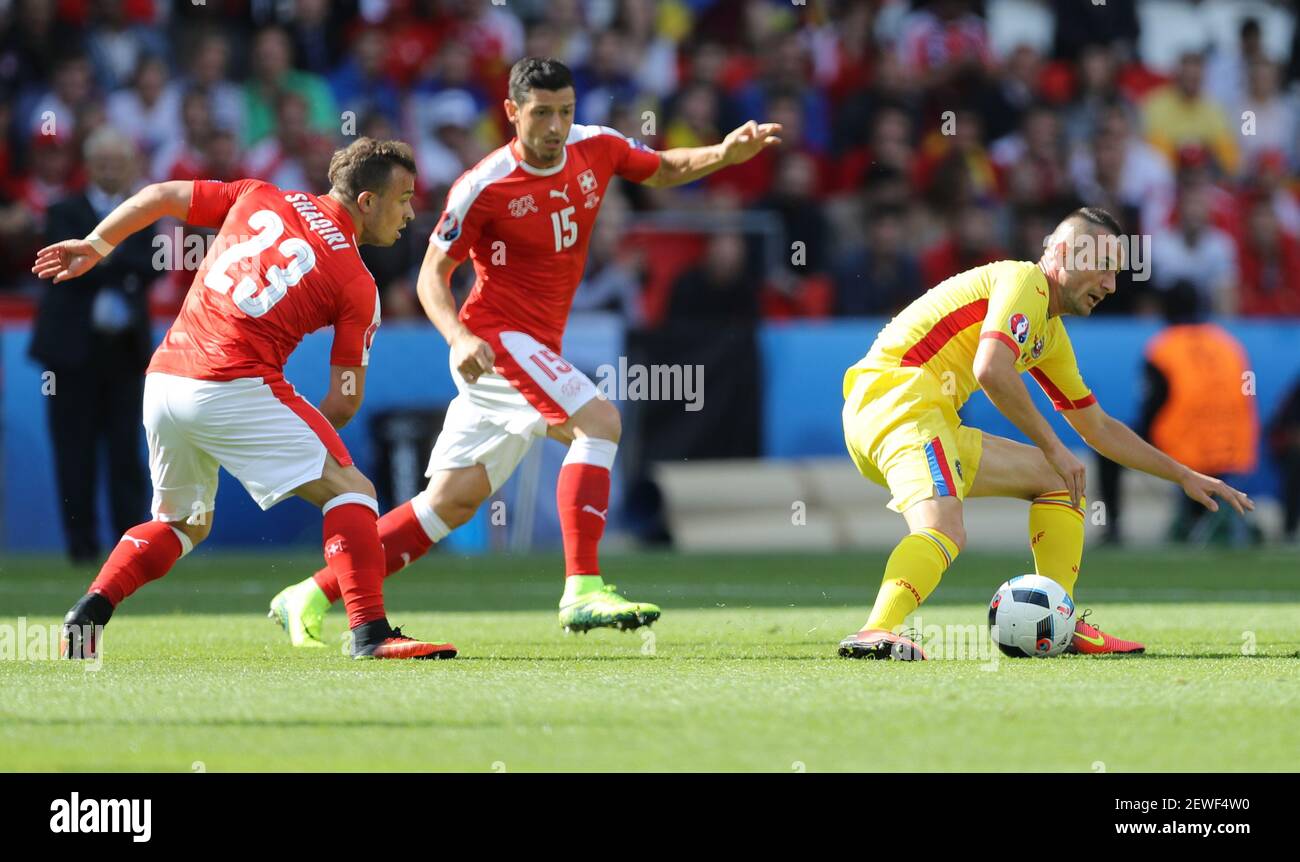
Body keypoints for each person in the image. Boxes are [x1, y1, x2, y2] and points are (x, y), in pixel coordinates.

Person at [268, 57, 782, 646]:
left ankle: (309, 592)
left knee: (447, 506)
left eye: (565, 111)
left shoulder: (598, 147)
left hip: (534, 346)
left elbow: (661, 167)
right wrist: (459, 337)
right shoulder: (483, 185)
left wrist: (723, 153)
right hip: (497, 341)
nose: (556, 126)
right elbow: (432, 277)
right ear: (512, 112)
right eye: (541, 114)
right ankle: (582, 587)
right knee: (600, 422)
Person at [33, 137, 449, 661]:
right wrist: (271, 442)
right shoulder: (357, 284)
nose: (411, 213)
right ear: (366, 202)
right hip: (232, 381)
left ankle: (91, 609)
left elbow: (161, 195)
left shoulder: (261, 194)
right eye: (405, 197)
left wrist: (94, 244)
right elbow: (343, 402)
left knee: (181, 524)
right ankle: (371, 633)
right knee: (353, 492)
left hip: (164, 379)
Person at [837, 207, 1253, 661]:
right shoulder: (1024, 282)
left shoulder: (1048, 333)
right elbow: (992, 369)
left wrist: (1183, 474)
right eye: (1103, 270)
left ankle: (1064, 620)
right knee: (945, 528)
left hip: (917, 413)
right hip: (899, 400)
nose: (1111, 286)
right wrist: (1054, 446)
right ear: (1062, 253)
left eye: (1117, 275)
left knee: (1054, 480)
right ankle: (875, 630)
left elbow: (1097, 426)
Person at [29, 128, 154, 564]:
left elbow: (149, 266)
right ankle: (80, 548)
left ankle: (130, 548)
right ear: (89, 166)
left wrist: (92, 259)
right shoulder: (62, 211)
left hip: (123, 353)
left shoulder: (143, 212)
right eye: (101, 163)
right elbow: (62, 265)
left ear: (130, 166)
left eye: (117, 162)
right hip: (70, 356)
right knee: (74, 453)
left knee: (126, 452)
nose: (110, 170)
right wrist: (115, 264)